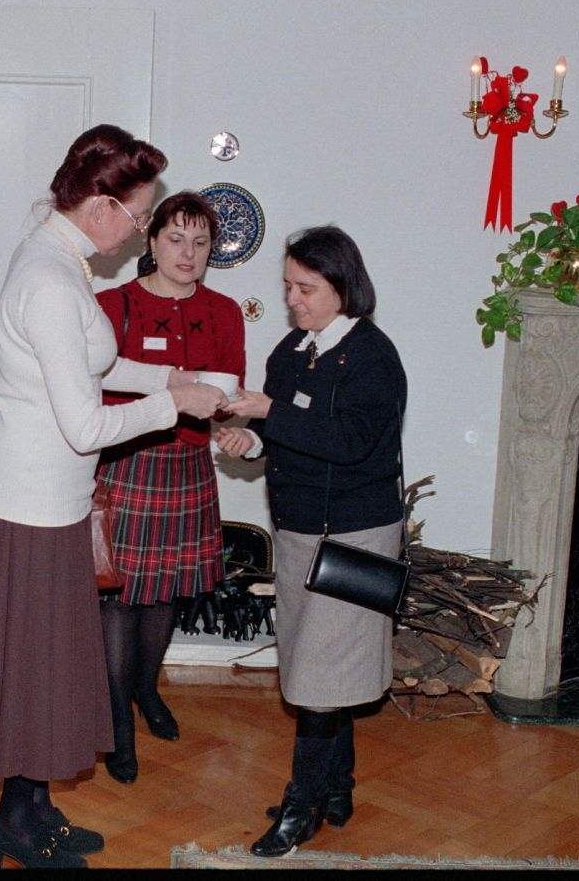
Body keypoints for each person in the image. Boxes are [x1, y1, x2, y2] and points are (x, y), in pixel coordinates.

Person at [0, 124, 227, 870]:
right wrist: (176, 407)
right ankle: (15, 822)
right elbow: (85, 424)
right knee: (27, 670)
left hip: (54, 504)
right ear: (99, 203)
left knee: (41, 669)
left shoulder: (63, 261)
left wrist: (170, 379)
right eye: (137, 218)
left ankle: (29, 810)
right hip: (27, 505)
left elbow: (101, 359)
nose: (138, 234)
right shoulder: (50, 279)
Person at [215, 224, 407, 859]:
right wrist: (255, 442)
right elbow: (293, 433)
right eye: (289, 286)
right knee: (319, 665)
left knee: (321, 673)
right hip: (300, 532)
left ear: (343, 287)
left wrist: (269, 415)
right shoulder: (292, 351)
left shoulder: (375, 358)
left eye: (307, 287)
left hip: (355, 536)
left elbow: (350, 444)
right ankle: (337, 789)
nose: (294, 299)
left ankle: (301, 809)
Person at [93, 190, 247, 785]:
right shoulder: (113, 304)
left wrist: (239, 431)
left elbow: (230, 395)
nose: (188, 253)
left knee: (165, 593)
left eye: (201, 242)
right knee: (119, 593)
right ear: (151, 241)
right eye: (176, 239)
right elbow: (96, 391)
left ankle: (144, 689)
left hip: (186, 465)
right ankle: (117, 720)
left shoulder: (225, 310)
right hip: (126, 462)